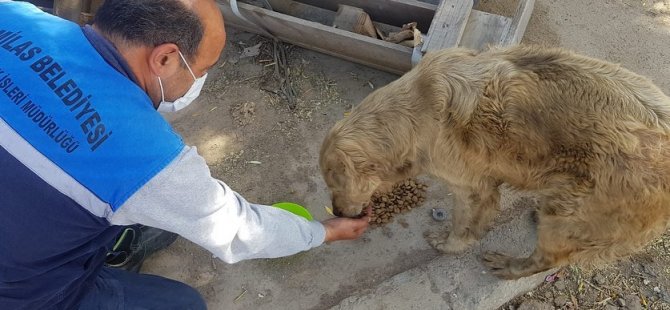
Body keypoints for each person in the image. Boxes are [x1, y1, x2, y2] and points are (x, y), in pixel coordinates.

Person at [0, 0, 370, 309]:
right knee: (182, 304)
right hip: (22, 293)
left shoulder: (12, 13)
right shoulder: (145, 158)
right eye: (203, 69)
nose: (199, 81)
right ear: (165, 59)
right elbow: (238, 230)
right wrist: (320, 232)